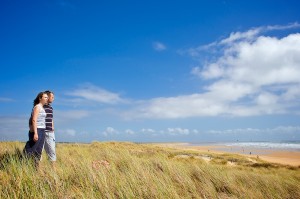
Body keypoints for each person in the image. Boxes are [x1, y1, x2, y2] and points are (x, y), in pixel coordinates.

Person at [24, 92, 48, 169]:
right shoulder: (37, 107)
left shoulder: (42, 107)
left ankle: (35, 169)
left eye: (47, 97)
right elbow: (34, 120)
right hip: (37, 130)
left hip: (42, 130)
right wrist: (35, 133)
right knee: (30, 149)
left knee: (38, 151)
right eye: (45, 97)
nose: (47, 98)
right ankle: (22, 166)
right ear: (40, 98)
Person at [43, 90, 56, 168]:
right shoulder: (40, 107)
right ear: (47, 97)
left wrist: (53, 128)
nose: (53, 99)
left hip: (50, 133)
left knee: (52, 152)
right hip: (41, 132)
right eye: (52, 97)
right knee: (39, 153)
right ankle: (38, 173)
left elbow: (51, 119)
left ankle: (53, 172)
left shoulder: (51, 108)